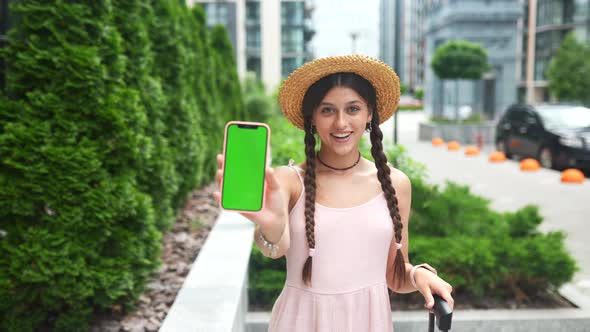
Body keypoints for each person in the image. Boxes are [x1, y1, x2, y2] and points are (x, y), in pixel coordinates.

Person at [215, 55, 454, 331]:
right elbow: (274, 247)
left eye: (353, 109)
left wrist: (418, 275)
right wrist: (271, 228)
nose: (341, 123)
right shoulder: (290, 180)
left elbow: (393, 275)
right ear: (313, 118)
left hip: (369, 323)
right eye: (327, 110)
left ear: (369, 115)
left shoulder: (395, 183)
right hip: (301, 322)